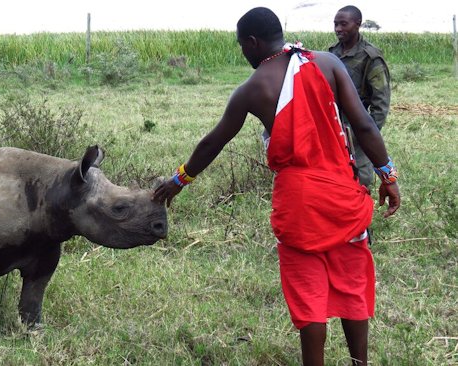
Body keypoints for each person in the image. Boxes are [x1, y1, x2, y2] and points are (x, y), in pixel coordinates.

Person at [152, 7, 400, 366]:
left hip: (298, 205)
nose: (243, 54)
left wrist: (179, 180)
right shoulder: (328, 63)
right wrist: (387, 176)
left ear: (252, 43)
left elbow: (213, 143)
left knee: (309, 295)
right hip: (343, 196)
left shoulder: (252, 89)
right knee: (351, 284)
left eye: (242, 47)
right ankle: (360, 363)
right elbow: (363, 124)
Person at [329, 5, 391, 188]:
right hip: (333, 128)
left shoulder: (370, 57)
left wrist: (365, 135)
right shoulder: (332, 53)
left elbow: (380, 104)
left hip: (357, 130)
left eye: (343, 24)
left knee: (360, 182)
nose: (338, 29)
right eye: (335, 24)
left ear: (357, 24)